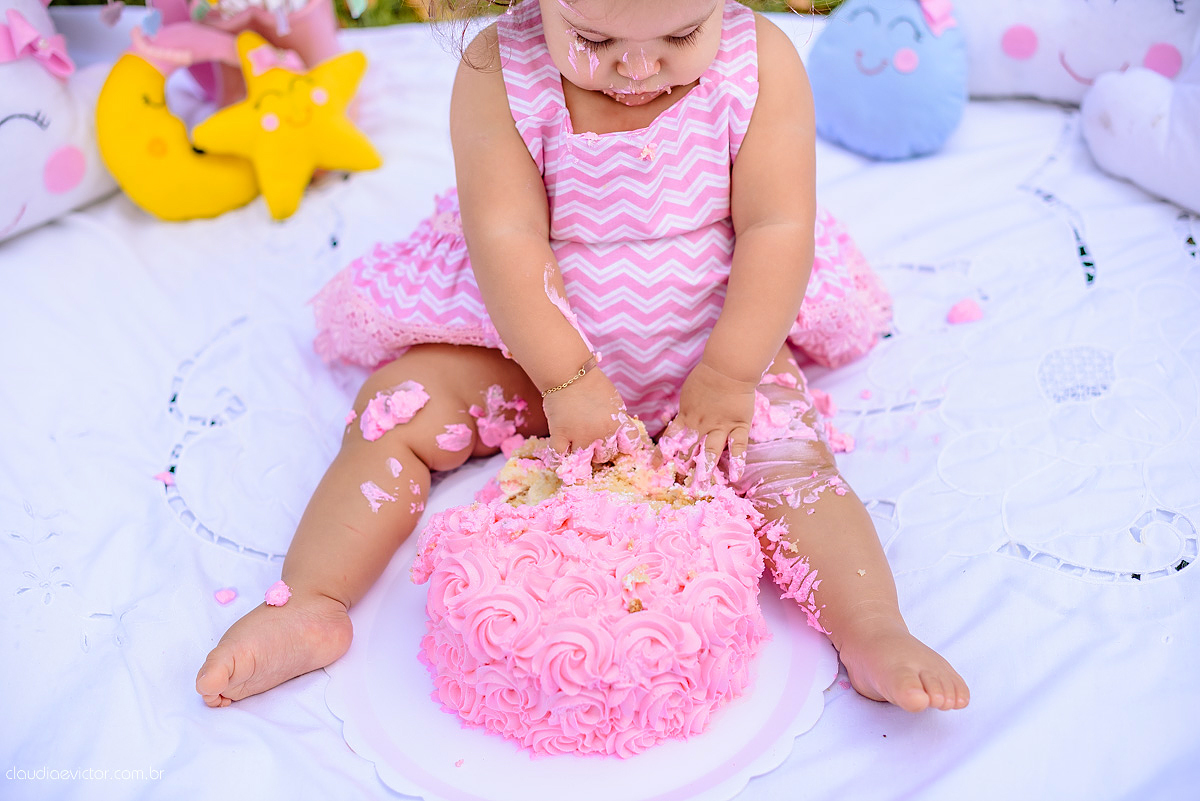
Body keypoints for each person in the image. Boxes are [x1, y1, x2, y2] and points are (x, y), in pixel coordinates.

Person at [196, 0, 969, 714]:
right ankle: (314, 599)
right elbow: (506, 238)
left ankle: (872, 627)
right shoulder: (498, 72)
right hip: (531, 346)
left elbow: (777, 227)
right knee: (396, 409)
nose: (638, 67)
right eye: (594, 40)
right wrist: (565, 378)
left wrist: (733, 372)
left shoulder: (760, 60)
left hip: (718, 341)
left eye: (680, 36)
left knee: (795, 463)